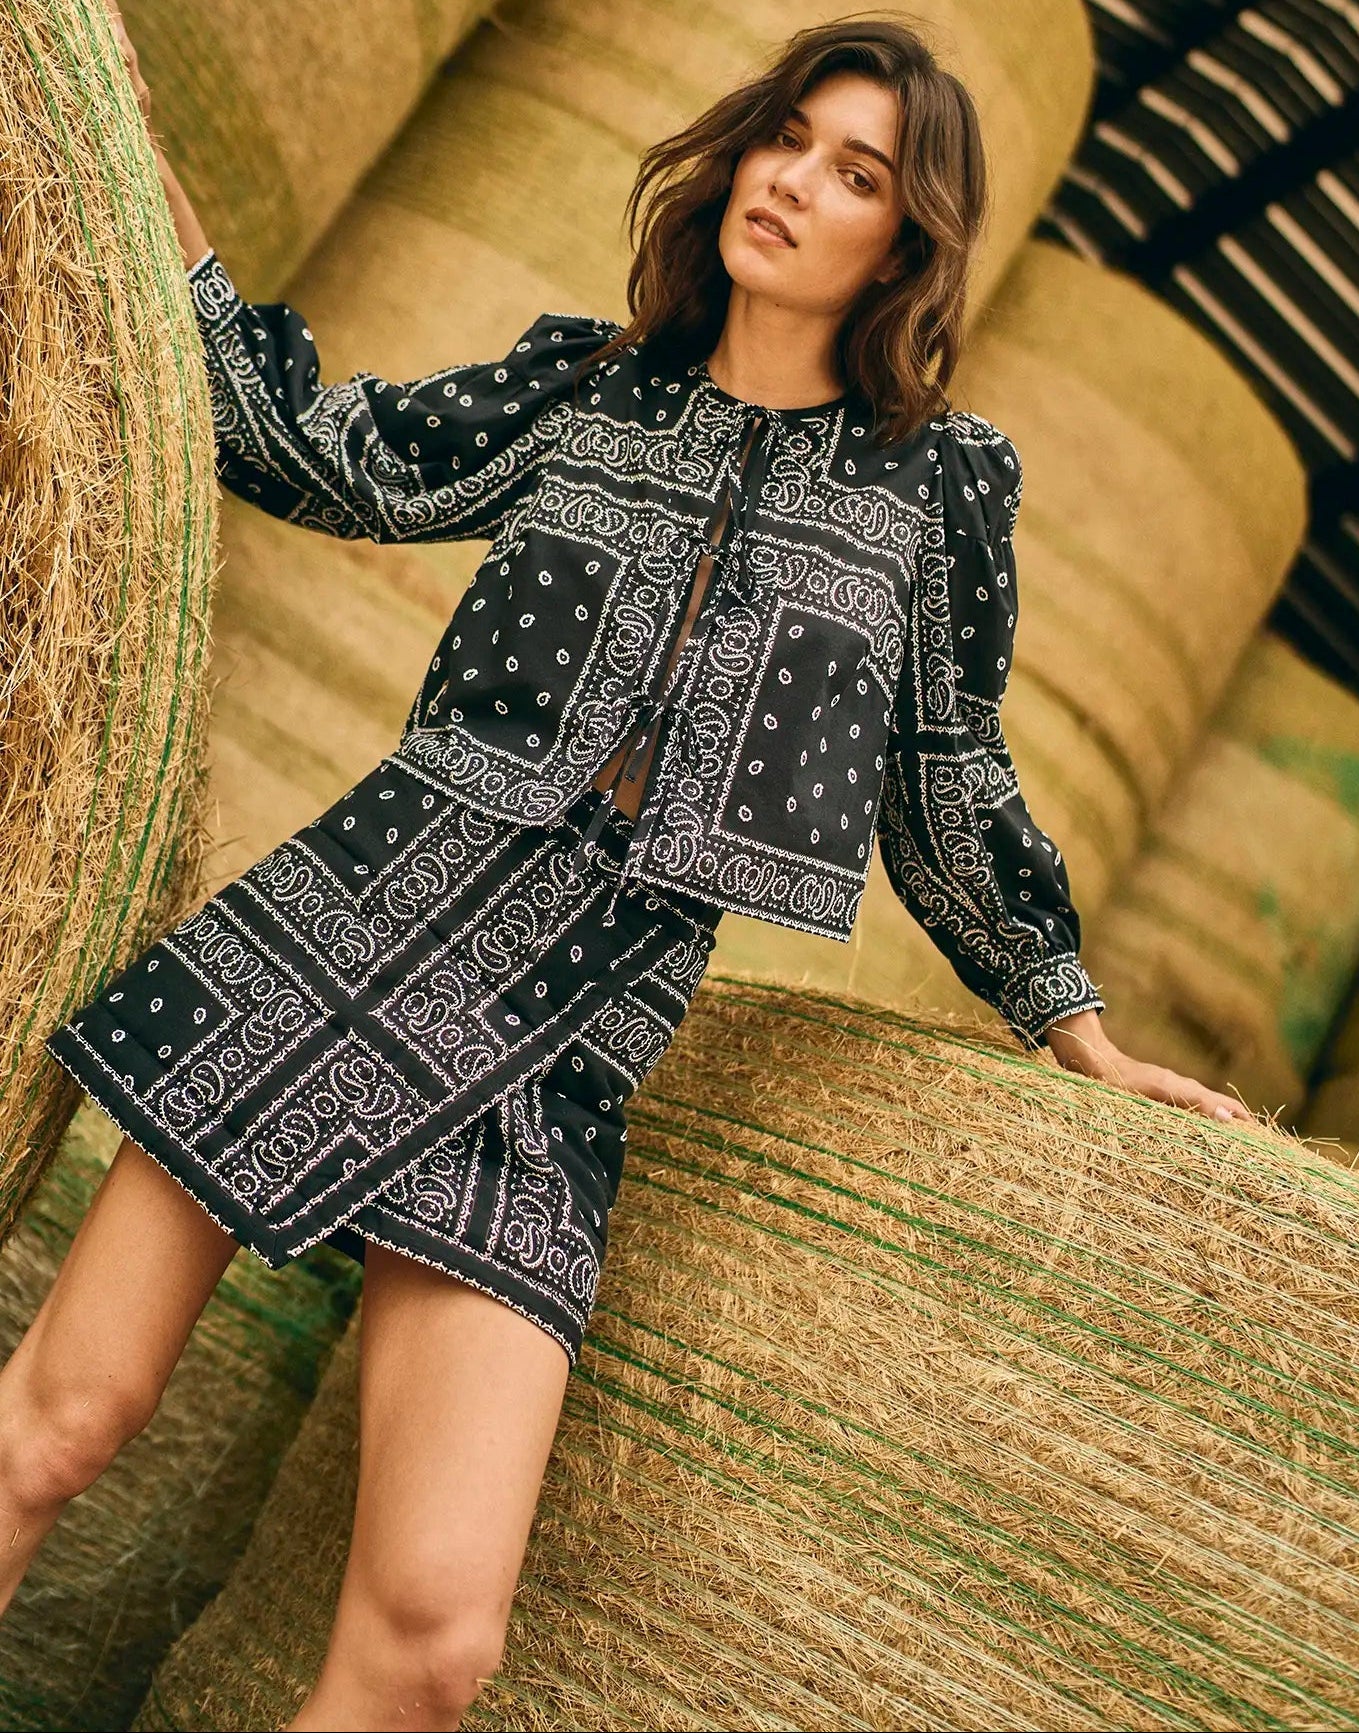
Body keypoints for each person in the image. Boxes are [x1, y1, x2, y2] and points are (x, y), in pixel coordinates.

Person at [4, 8, 1255, 1729]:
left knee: (433, 1640)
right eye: (785, 138)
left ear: (908, 243)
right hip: (360, 922)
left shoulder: (936, 492)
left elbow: (945, 775)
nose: (793, 182)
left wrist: (1077, 1025)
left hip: (571, 1037)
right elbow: (319, 449)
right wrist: (128, 162)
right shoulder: (587, 385)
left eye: (857, 173)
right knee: (58, 1421)